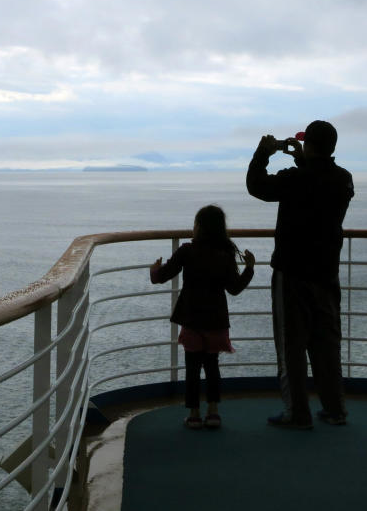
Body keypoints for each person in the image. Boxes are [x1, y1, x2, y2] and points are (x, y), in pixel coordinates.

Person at [246, 120, 354, 429]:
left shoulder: (296, 179)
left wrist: (262, 153)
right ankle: (335, 410)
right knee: (326, 344)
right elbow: (317, 180)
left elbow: (257, 186)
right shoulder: (343, 179)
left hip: (292, 273)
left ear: (308, 145)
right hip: (326, 273)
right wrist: (301, 158)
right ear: (331, 147)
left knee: (291, 346)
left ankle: (297, 412)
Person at [150, 205, 255, 429]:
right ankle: (214, 412)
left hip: (192, 318)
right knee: (212, 366)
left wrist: (154, 270)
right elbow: (234, 289)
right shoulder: (225, 254)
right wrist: (249, 268)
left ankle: (194, 414)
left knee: (192, 367)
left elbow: (162, 276)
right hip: (216, 319)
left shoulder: (187, 251)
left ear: (198, 227)